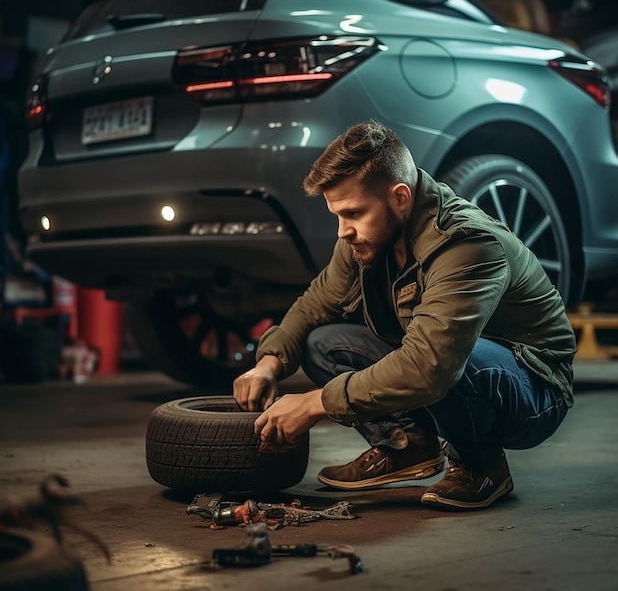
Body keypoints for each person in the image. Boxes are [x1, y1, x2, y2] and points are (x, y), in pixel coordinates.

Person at [233, 120, 576, 510]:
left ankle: (481, 467)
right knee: (322, 344)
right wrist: (268, 363)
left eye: (353, 213)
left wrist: (314, 404)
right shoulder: (365, 234)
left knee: (447, 360)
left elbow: (431, 366)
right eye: (336, 215)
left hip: (532, 386)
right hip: (452, 364)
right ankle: (407, 445)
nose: (343, 230)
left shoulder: (465, 244)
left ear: (399, 197)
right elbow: (317, 302)